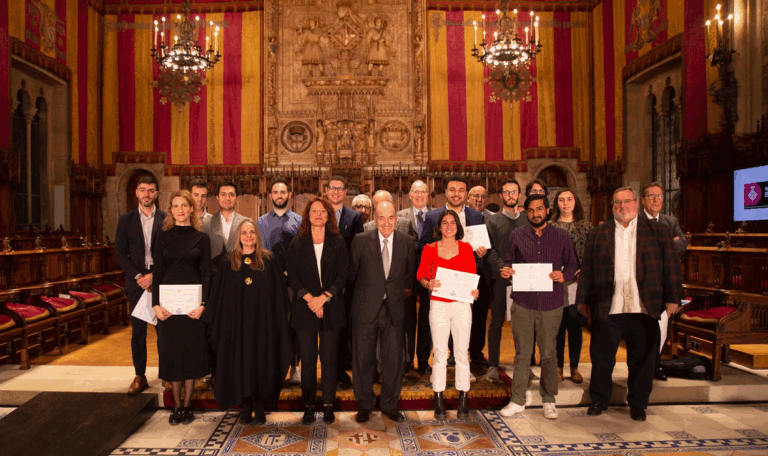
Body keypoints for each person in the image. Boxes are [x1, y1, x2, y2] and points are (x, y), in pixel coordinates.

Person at [577, 186, 682, 422]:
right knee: (602, 357)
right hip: (608, 305)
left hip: (643, 306)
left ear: (636, 203)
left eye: (626, 202)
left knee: (642, 358)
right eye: (617, 203)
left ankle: (638, 404)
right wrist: (582, 300)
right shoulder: (598, 233)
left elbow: (671, 267)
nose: (622, 207)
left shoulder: (658, 230)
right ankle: (599, 400)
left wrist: (673, 298)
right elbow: (588, 271)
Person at [204, 219, 293, 425]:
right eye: (244, 232)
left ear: (257, 235)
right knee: (240, 362)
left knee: (261, 361)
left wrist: (279, 321)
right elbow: (218, 296)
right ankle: (245, 404)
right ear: (239, 236)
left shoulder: (268, 260)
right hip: (237, 325)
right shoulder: (228, 262)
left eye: (252, 232)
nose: (248, 236)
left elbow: (279, 295)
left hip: (263, 325)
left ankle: (259, 404)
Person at [499, 194, 578, 420]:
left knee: (549, 354)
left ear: (547, 210)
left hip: (551, 303)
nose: (535, 213)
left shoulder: (561, 236)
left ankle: (549, 399)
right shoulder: (517, 235)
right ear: (527, 213)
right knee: (522, 354)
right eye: (531, 210)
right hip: (523, 302)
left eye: (539, 209)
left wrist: (565, 274)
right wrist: (507, 270)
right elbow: (509, 261)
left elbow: (573, 263)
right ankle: (517, 400)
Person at [348, 201, 415, 423]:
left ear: (396, 219)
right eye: (381, 218)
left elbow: (409, 277)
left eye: (390, 218)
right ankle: (364, 405)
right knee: (363, 359)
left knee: (393, 360)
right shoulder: (360, 241)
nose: (386, 222)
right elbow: (352, 276)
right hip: (365, 309)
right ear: (374, 220)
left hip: (394, 309)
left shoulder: (407, 242)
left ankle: (389, 405)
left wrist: (396, 296)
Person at [286, 198, 349, 426]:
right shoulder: (297, 242)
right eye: (314, 211)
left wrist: (324, 298)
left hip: (332, 307)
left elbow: (344, 274)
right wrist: (311, 300)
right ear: (308, 215)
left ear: (328, 216)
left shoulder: (338, 242)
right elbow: (292, 275)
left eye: (323, 211)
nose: (319, 214)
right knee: (309, 361)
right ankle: (309, 405)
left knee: (330, 359)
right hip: (305, 308)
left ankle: (329, 404)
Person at [151, 190, 212, 425]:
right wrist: (155, 304)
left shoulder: (202, 238)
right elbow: (157, 274)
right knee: (172, 354)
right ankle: (176, 405)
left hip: (192, 307)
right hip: (167, 307)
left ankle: (188, 405)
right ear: (171, 210)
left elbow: (206, 274)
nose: (180, 210)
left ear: (191, 208)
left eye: (184, 205)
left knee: (190, 354)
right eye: (175, 206)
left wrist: (203, 305)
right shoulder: (163, 237)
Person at [419, 175, 487, 370]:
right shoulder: (432, 216)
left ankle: (471, 355)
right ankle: (434, 359)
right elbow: (423, 244)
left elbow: (480, 244)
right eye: (452, 189)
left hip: (468, 277)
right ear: (446, 192)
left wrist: (481, 252)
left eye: (460, 190)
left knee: (470, 318)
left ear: (466, 194)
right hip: (440, 279)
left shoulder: (477, 216)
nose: (456, 194)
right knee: (436, 320)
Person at [417, 210, 480, 419]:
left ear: (457, 226)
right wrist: (429, 283)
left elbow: (471, 277)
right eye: (445, 222)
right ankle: (439, 397)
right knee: (440, 352)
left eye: (453, 223)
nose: (449, 226)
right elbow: (422, 277)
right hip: (439, 305)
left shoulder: (466, 248)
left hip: (462, 305)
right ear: (439, 226)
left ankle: (463, 397)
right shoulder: (430, 248)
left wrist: (474, 290)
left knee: (462, 352)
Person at [114, 174, 166, 395]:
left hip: (160, 282)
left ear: (157, 193)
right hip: (136, 285)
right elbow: (120, 254)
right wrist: (138, 277)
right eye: (143, 190)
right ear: (136, 192)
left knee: (164, 332)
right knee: (138, 333)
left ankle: (166, 375)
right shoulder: (125, 220)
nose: (147, 194)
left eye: (151, 190)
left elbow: (169, 254)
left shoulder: (166, 219)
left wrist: (154, 276)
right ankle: (140, 375)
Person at [640, 182, 688, 381]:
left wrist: (661, 243)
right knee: (643, 330)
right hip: (642, 282)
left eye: (659, 196)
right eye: (651, 196)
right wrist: (669, 241)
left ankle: (655, 365)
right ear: (643, 200)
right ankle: (642, 367)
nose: (656, 200)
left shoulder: (670, 220)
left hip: (663, 283)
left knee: (662, 327)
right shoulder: (636, 219)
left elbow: (683, 243)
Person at [257, 177, 303, 385]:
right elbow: (259, 253)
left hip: (292, 282)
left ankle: (294, 367)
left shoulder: (300, 221)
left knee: (294, 325)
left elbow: (302, 252)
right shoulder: (260, 222)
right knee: (272, 324)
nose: (279, 196)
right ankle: (274, 366)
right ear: (270, 196)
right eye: (275, 192)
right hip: (269, 282)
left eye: (283, 192)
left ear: (289, 195)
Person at [483, 179, 529, 382]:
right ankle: (493, 364)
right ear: (501, 196)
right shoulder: (492, 221)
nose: (511, 195)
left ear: (519, 195)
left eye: (514, 192)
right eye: (506, 192)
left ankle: (525, 365)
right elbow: (488, 249)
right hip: (500, 277)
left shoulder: (528, 220)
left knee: (524, 323)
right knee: (497, 322)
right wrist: (502, 267)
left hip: (524, 278)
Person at [550, 189, 592, 384]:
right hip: (556, 282)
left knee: (575, 325)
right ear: (556, 204)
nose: (565, 203)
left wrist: (583, 269)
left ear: (576, 202)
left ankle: (574, 367)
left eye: (569, 199)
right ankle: (558, 366)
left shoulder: (586, 226)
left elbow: (592, 254)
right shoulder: (550, 226)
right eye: (561, 200)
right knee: (557, 326)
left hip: (578, 282)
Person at [325, 175, 364, 387]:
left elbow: (357, 251)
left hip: (345, 284)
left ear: (345, 192)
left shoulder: (354, 217)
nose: (336, 192)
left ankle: (340, 371)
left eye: (340, 189)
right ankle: (325, 371)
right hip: (321, 281)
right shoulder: (318, 213)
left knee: (341, 329)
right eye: (333, 188)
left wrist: (348, 280)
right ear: (326, 190)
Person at [398, 180, 432, 374]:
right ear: (409, 195)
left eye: (423, 192)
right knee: (408, 320)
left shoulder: (436, 216)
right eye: (415, 192)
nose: (419, 195)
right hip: (408, 275)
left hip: (429, 275)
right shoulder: (400, 217)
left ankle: (424, 361)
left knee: (427, 319)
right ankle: (407, 359)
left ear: (428, 195)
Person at [203, 181, 248, 273]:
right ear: (217, 197)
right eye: (223, 194)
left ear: (237, 198)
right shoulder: (206, 223)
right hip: (214, 276)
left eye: (231, 194)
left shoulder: (246, 222)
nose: (227, 198)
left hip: (239, 273)